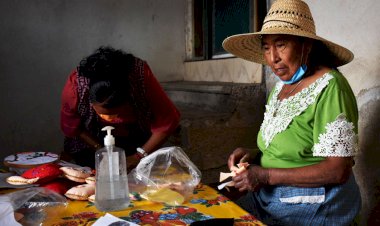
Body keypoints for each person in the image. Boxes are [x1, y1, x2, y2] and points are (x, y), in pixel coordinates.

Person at [222, 0, 361, 225]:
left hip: (316, 207)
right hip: (271, 199)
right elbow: (291, 145)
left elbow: (338, 171)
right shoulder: (280, 88)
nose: (273, 58)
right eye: (266, 47)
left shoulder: (330, 87)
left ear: (306, 45)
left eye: (281, 44)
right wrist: (254, 154)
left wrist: (264, 175)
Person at [60, 46, 180, 169]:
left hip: (135, 136)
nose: (109, 120)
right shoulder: (76, 84)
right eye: (102, 114)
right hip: (91, 138)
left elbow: (167, 121)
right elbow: (73, 127)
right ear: (90, 102)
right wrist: (100, 149)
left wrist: (138, 157)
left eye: (115, 114)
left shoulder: (139, 75)